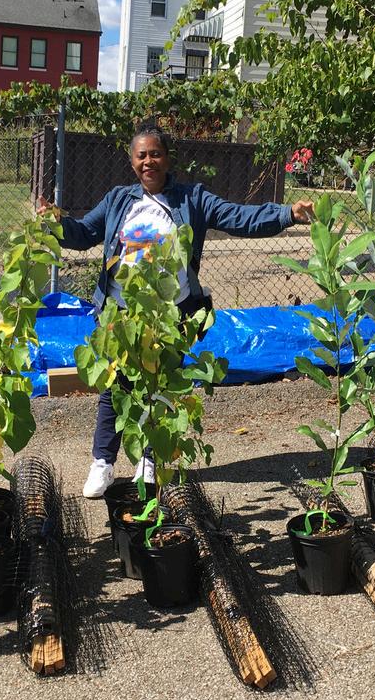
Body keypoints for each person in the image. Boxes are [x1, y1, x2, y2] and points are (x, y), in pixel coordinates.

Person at [39, 125, 314, 498]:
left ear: (167, 159)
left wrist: (287, 214)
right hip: (120, 316)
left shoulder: (192, 199)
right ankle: (102, 463)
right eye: (141, 155)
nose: (148, 161)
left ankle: (148, 460)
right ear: (132, 161)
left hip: (170, 317)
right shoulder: (118, 199)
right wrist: (56, 223)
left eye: (155, 154)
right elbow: (84, 233)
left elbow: (239, 217)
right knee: (115, 390)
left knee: (161, 389)